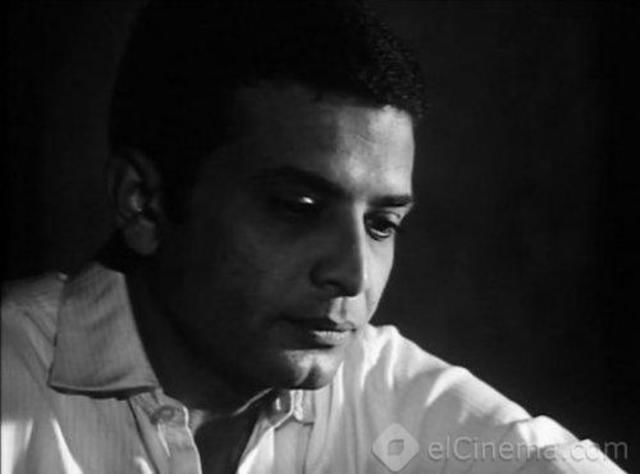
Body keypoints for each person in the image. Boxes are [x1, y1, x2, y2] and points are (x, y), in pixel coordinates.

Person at [1, 1, 625, 473]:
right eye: (297, 208)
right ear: (143, 203)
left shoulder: (377, 382)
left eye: (382, 224)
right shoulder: (12, 375)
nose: (353, 275)